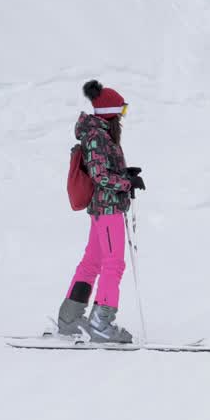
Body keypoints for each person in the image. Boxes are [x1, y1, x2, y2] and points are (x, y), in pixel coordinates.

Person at [55, 80, 146, 342]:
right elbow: (99, 175)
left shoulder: (100, 133)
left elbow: (104, 170)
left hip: (104, 208)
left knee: (92, 262)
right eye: (122, 110)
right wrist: (126, 182)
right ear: (110, 111)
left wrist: (126, 174)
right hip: (107, 209)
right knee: (113, 264)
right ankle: (100, 324)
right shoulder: (97, 136)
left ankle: (70, 318)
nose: (122, 116)